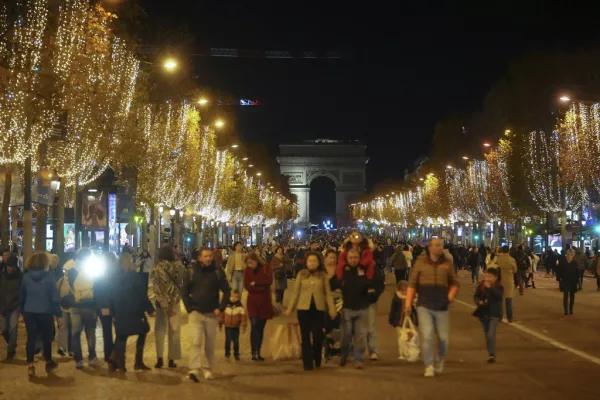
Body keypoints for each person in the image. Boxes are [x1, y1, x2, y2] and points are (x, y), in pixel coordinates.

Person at [405, 238, 459, 377]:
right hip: (424, 304)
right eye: (437, 245)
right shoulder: (420, 262)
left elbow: (454, 283)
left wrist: (449, 298)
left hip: (442, 305)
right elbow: (412, 284)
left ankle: (440, 359)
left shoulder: (447, 263)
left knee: (443, 338)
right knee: (427, 335)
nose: (440, 248)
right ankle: (428, 364)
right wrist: (408, 303)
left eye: (441, 245)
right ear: (429, 247)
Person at [183, 247, 230, 382]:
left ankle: (208, 369)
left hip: (211, 313)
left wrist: (220, 308)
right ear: (200, 258)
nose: (208, 258)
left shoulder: (218, 272)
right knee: (195, 341)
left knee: (210, 343)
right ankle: (194, 369)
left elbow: (226, 291)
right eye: (205, 256)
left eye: (210, 256)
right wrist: (189, 308)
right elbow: (184, 291)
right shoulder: (191, 271)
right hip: (196, 312)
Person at [285, 252, 336, 370]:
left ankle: (317, 356)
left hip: (319, 309)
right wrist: (289, 309)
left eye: (314, 261)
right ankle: (307, 362)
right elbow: (295, 293)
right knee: (305, 337)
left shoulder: (323, 275)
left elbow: (328, 293)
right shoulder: (301, 275)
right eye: (310, 261)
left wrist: (332, 310)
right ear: (306, 263)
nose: (312, 263)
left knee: (318, 336)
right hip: (303, 309)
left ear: (318, 263)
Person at [19, 252, 62, 377]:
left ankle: (30, 365)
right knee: (46, 338)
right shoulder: (49, 277)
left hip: (29, 311)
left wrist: (22, 312)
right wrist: (58, 314)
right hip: (45, 312)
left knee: (31, 338)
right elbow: (54, 298)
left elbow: (22, 296)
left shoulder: (26, 277)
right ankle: (48, 361)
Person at [110, 253, 155, 372]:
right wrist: (149, 309)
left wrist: (112, 312)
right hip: (135, 311)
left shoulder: (114, 277)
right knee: (144, 330)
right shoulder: (134, 276)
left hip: (120, 311)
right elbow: (142, 294)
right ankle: (138, 362)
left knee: (121, 337)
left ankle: (120, 364)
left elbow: (111, 296)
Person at [150, 244, 185, 369]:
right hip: (174, 301)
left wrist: (155, 299)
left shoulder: (156, 269)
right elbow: (182, 281)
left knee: (159, 329)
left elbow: (152, 286)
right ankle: (172, 359)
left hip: (161, 302)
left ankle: (159, 358)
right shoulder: (178, 267)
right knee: (174, 330)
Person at [68, 248, 102, 369]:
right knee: (90, 331)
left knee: (76, 333)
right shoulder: (93, 269)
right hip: (89, 305)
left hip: (75, 305)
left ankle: (78, 360)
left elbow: (70, 287)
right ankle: (92, 357)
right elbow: (98, 286)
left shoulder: (71, 270)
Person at [338, 249, 371, 369]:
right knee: (346, 335)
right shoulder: (343, 271)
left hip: (362, 308)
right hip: (347, 308)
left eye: (356, 257)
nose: (353, 260)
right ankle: (344, 354)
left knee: (360, 336)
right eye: (351, 257)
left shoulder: (364, 270)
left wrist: (372, 296)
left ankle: (358, 358)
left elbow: (373, 283)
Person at [244, 252, 273, 361]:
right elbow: (247, 285)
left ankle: (258, 351)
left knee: (261, 328)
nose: (249, 265)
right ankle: (253, 352)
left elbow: (269, 281)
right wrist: (260, 287)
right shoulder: (247, 270)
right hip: (252, 302)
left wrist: (255, 283)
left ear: (256, 261)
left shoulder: (266, 268)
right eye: (248, 263)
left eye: (251, 262)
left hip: (265, 302)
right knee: (254, 325)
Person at [473, 268, 503, 363]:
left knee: (490, 334)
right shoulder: (481, 286)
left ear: (495, 277)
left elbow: (499, 296)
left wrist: (490, 288)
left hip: (494, 314)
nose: (487, 278)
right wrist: (479, 302)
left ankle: (492, 354)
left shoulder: (499, 286)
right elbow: (476, 296)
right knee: (487, 333)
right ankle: (491, 354)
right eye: (486, 276)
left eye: (490, 276)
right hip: (484, 314)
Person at [94, 252, 119, 366]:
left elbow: (96, 291)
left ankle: (108, 355)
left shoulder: (100, 274)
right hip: (116, 306)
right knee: (120, 332)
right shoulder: (117, 274)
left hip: (103, 305)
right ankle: (114, 354)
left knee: (106, 331)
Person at [0, 254, 23, 361]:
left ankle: (10, 352)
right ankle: (12, 344)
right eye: (8, 266)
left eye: (12, 266)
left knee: (13, 328)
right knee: (4, 330)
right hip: (3, 306)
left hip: (15, 306)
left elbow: (23, 292)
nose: (10, 268)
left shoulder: (20, 277)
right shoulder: (2, 275)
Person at [389, 280, 417, 360]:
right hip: (399, 323)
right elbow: (393, 310)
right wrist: (392, 320)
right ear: (399, 290)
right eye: (402, 290)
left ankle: (409, 352)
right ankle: (402, 353)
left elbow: (414, 311)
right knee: (401, 338)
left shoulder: (411, 298)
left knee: (410, 338)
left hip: (410, 323)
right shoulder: (396, 298)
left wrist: (416, 321)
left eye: (405, 290)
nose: (404, 292)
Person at [219, 289, 247, 361]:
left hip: (236, 327)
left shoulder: (240, 307)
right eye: (232, 296)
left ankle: (236, 354)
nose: (234, 298)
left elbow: (243, 317)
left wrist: (243, 326)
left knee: (236, 341)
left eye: (236, 297)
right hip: (227, 326)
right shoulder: (225, 306)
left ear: (239, 298)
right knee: (228, 340)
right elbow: (222, 316)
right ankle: (227, 353)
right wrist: (220, 324)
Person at [56, 259, 75, 357]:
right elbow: (56, 292)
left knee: (72, 329)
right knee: (63, 327)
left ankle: (71, 349)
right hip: (63, 307)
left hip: (73, 308)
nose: (66, 272)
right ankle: (62, 347)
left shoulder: (76, 279)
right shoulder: (61, 280)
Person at [496, 245, 517, 322]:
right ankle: (510, 317)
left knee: (500, 300)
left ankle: (499, 317)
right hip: (509, 280)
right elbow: (515, 270)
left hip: (500, 280)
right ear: (509, 250)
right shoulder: (512, 260)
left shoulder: (499, 258)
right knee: (508, 300)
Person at [557, 249, 579, 316]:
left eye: (570, 255)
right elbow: (558, 271)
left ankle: (571, 309)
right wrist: (559, 279)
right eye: (567, 254)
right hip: (565, 281)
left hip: (573, 281)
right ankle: (566, 310)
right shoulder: (562, 262)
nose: (568, 256)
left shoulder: (575, 263)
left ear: (573, 256)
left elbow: (577, 273)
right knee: (566, 296)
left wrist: (577, 281)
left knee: (572, 296)